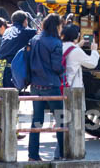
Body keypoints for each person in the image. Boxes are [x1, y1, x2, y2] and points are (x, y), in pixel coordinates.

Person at [0, 10, 36, 130]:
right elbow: (39, 35)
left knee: (0, 100)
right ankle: (9, 131)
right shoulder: (26, 31)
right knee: (11, 100)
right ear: (25, 21)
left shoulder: (7, 31)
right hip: (8, 70)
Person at [28, 14, 65, 162]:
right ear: (57, 26)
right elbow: (57, 67)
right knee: (60, 119)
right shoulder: (56, 42)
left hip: (35, 85)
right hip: (51, 85)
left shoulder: (34, 39)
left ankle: (33, 155)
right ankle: (62, 153)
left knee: (36, 120)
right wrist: (64, 70)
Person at [62, 23, 99, 89]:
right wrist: (94, 51)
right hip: (74, 87)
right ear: (76, 37)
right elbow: (92, 63)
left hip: (63, 85)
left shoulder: (60, 47)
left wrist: (78, 45)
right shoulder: (76, 51)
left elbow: (70, 51)